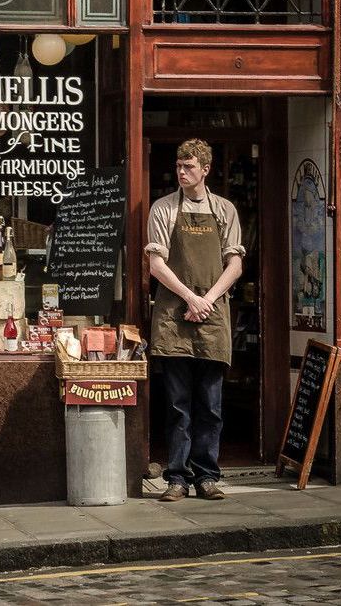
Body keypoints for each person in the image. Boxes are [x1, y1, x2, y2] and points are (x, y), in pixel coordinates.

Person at [146, 138, 244, 502]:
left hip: (213, 314)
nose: (182, 172)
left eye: (189, 167)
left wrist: (207, 300)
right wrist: (190, 298)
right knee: (177, 405)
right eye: (178, 165)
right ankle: (176, 478)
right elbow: (156, 264)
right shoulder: (164, 209)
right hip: (174, 315)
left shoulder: (224, 210)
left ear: (205, 169)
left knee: (211, 404)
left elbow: (234, 263)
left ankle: (207, 476)